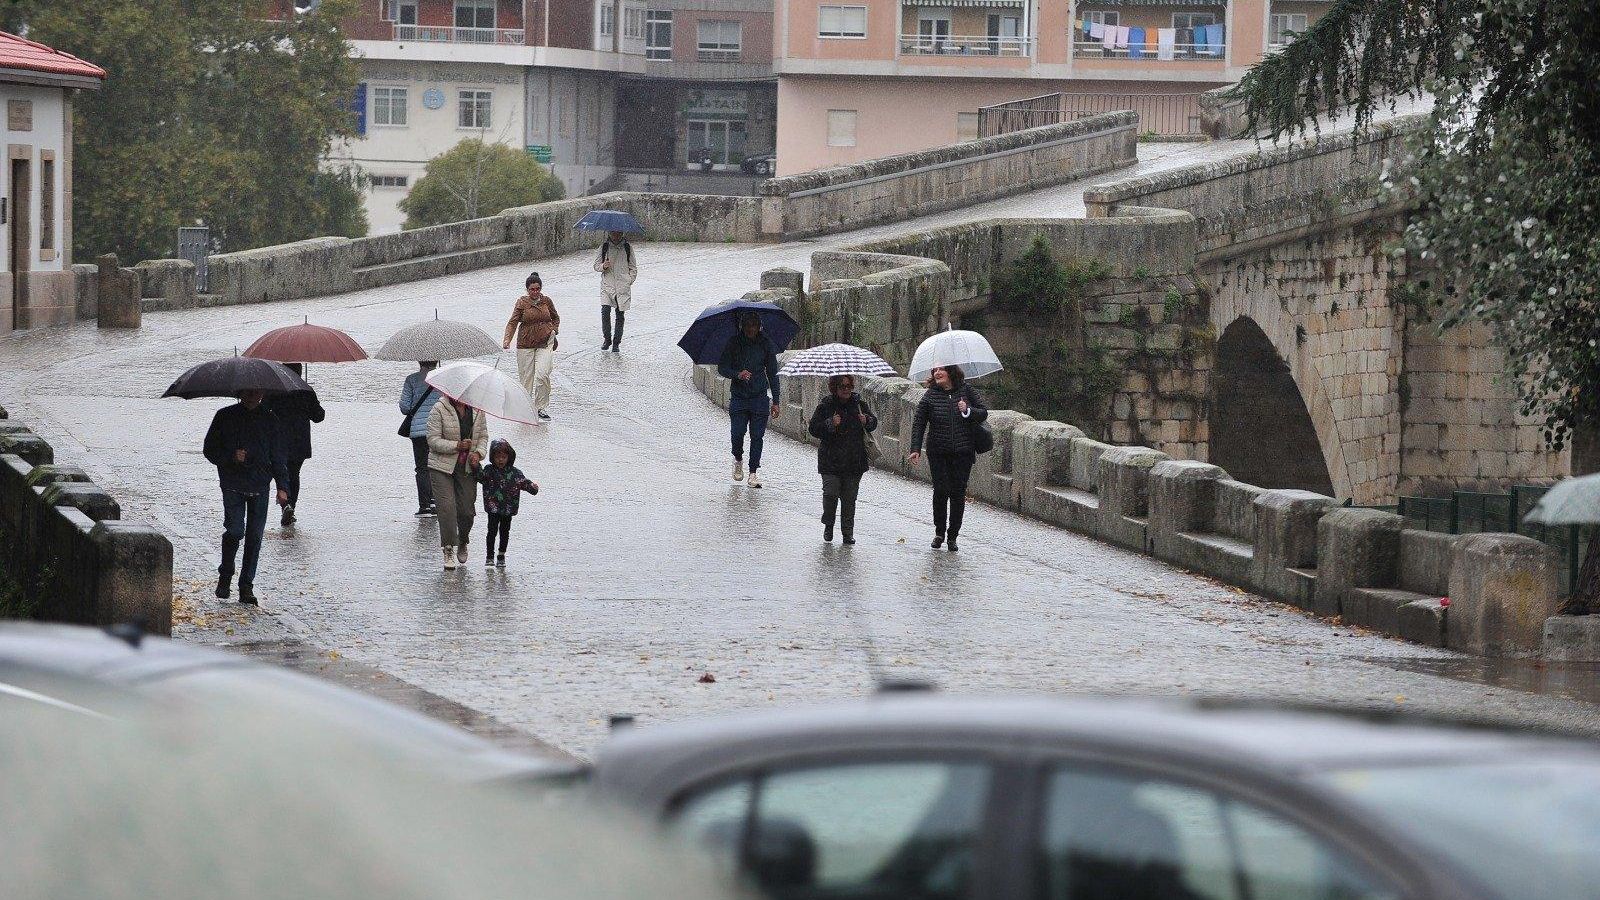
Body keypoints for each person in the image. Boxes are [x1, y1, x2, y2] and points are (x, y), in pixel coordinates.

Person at [203, 389, 290, 604]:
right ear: (241, 392)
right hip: (233, 483)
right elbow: (209, 450)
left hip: (260, 485)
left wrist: (282, 487)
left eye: (257, 392)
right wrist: (232, 456)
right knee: (235, 530)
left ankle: (246, 586)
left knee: (254, 538)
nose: (253, 396)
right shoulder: (225, 416)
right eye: (249, 392)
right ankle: (226, 573)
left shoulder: (270, 419)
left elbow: (278, 455)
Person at [908, 364, 988, 552]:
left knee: (958, 493)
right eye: (934, 370)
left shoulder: (966, 390)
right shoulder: (930, 395)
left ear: (951, 372)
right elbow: (919, 422)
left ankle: (953, 536)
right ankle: (939, 533)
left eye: (941, 369)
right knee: (941, 490)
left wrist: (967, 410)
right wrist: (915, 448)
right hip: (938, 452)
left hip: (963, 452)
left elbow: (983, 412)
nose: (937, 373)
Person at [808, 374, 877, 544]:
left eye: (848, 386)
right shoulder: (826, 405)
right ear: (835, 388)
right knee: (830, 494)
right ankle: (829, 525)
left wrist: (866, 420)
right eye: (842, 386)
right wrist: (830, 423)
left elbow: (874, 422)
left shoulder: (859, 404)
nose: (846, 389)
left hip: (854, 460)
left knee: (849, 499)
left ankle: (847, 533)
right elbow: (813, 429)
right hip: (830, 460)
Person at [717, 311, 780, 488]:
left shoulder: (766, 344)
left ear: (759, 326)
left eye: (754, 325)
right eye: (748, 325)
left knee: (757, 436)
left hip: (759, 397)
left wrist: (776, 401)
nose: (751, 329)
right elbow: (722, 368)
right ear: (742, 326)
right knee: (737, 434)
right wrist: (738, 374)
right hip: (739, 397)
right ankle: (738, 458)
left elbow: (773, 374)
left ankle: (753, 472)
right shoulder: (734, 343)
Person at [425, 397, 489, 570]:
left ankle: (463, 540)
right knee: (447, 508)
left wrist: (479, 453)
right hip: (441, 467)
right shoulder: (439, 408)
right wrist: (457, 445)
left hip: (466, 467)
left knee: (467, 511)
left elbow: (483, 436)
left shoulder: (477, 410)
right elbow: (432, 440)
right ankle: (448, 548)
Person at [265, 363, 325, 527]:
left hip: (278, 440)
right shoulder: (306, 390)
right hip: (300, 441)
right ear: (299, 372)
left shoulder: (274, 389)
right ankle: (291, 506)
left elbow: (262, 410)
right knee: (294, 473)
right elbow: (319, 416)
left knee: (281, 472)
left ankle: (286, 506)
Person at [503, 271, 560, 422]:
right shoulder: (522, 303)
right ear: (527, 290)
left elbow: (555, 317)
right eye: (532, 289)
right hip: (526, 344)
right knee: (526, 379)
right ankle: (526, 408)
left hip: (545, 343)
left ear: (540, 288)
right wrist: (507, 339)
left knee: (543, 375)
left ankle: (541, 407)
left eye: (537, 289)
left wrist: (554, 330)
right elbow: (513, 322)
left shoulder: (547, 301)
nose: (535, 292)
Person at [477, 438, 539, 568]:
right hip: (493, 508)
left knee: (505, 532)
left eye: (504, 457)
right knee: (491, 531)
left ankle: (501, 555)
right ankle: (489, 556)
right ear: (492, 457)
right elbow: (480, 477)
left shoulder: (515, 473)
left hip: (508, 509)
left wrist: (533, 487)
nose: (500, 460)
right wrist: (475, 465)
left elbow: (524, 483)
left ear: (509, 457)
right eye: (498, 457)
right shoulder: (489, 470)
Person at [399, 361, 443, 516]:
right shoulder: (443, 378)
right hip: (438, 430)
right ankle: (435, 502)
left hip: (418, 431)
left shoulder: (412, 379)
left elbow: (404, 407)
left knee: (422, 468)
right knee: (437, 467)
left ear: (419, 361)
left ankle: (424, 506)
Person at [594, 230, 637, 353]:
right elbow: (596, 265)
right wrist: (603, 266)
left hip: (622, 286)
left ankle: (616, 343)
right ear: (609, 233)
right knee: (605, 311)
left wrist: (629, 280)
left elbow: (633, 267)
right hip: (607, 285)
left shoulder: (627, 248)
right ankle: (607, 339)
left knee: (620, 315)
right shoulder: (604, 247)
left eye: (618, 233)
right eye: (613, 233)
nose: (616, 235)